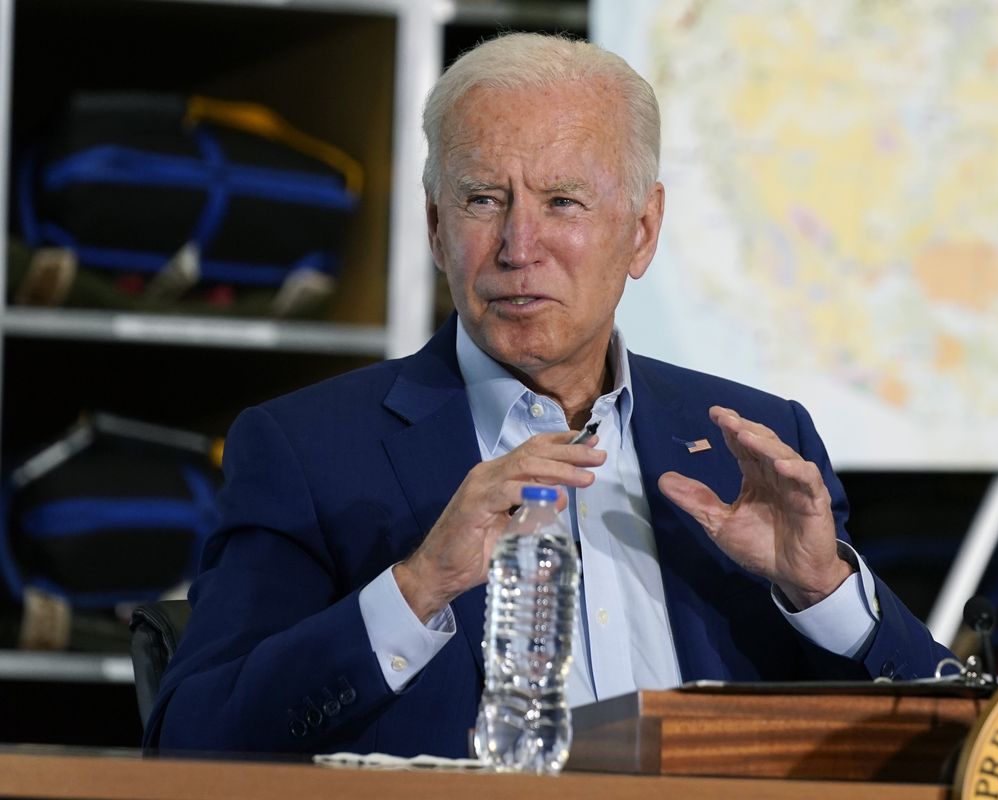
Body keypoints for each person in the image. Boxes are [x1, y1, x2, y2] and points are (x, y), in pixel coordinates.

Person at [146, 32, 953, 757]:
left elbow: (954, 743)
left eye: (562, 202)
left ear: (641, 231)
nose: (518, 246)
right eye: (483, 200)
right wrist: (417, 586)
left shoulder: (757, 445)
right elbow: (192, 740)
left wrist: (825, 595)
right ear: (435, 227)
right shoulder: (310, 451)